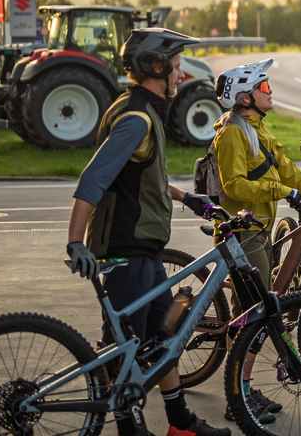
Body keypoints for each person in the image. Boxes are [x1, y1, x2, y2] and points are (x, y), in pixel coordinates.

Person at [65, 28, 229, 436]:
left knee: (162, 336)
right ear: (155, 67)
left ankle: (180, 423)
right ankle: (127, 425)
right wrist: (74, 241)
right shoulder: (136, 119)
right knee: (125, 348)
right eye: (175, 67)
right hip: (126, 246)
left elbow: (141, 177)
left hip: (144, 246)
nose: (180, 75)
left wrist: (185, 197)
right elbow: (94, 180)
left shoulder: (139, 109)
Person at [211, 58, 301, 424]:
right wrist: (282, 192)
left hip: (258, 230)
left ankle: (242, 389)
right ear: (244, 98)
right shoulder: (232, 133)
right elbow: (234, 185)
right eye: (263, 87)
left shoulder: (257, 128)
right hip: (243, 233)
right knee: (254, 317)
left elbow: (286, 167)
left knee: (256, 312)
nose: (270, 91)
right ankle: (238, 397)